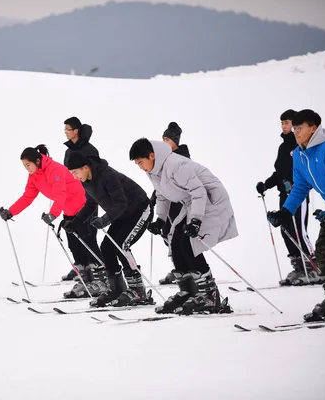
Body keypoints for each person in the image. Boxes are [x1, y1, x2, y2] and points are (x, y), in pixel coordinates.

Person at [266, 109, 325, 322]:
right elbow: (300, 187)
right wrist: (284, 213)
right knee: (322, 250)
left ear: (313, 128)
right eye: (294, 128)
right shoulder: (300, 155)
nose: (295, 132)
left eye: (299, 128)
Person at [130, 138, 238, 315]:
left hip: (211, 200)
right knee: (175, 242)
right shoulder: (153, 171)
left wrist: (196, 220)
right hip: (192, 202)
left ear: (152, 155)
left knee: (189, 243)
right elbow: (162, 195)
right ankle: (188, 292)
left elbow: (199, 191)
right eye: (137, 164)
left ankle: (210, 295)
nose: (141, 167)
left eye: (141, 162)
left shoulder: (175, 164)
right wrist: (161, 219)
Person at [0, 145, 106, 298]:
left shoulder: (54, 169)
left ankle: (103, 280)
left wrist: (53, 214)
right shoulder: (34, 176)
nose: (27, 169)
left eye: (28, 165)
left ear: (37, 161)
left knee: (88, 242)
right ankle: (86, 281)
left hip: (84, 206)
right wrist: (11, 211)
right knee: (74, 246)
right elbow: (28, 197)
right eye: (24, 166)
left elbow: (60, 194)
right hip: (69, 210)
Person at [65, 152, 154, 307]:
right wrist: (75, 222)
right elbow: (91, 204)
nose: (74, 177)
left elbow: (121, 203)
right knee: (106, 248)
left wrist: (105, 220)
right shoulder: (87, 180)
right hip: (122, 215)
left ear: (85, 167)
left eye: (75, 173)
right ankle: (116, 288)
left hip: (140, 210)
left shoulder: (107, 175)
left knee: (121, 245)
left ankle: (138, 290)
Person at [256, 109, 317, 286]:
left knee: (299, 229)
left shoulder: (301, 145)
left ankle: (313, 267)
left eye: (287, 122)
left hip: (298, 194)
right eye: (282, 123)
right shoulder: (283, 147)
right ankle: (299, 267)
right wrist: (266, 184)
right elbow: (279, 172)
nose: (284, 126)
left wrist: (295, 184)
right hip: (284, 194)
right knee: (286, 230)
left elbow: (307, 170)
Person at [151, 122, 193, 285]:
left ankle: (188, 268)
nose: (164, 142)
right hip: (169, 202)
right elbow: (161, 182)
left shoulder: (181, 158)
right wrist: (155, 196)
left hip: (182, 202)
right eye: (163, 139)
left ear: (176, 141)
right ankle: (178, 267)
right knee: (167, 231)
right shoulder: (165, 159)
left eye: (168, 139)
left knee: (178, 234)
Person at [61, 116, 101, 283]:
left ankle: (98, 270)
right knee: (72, 235)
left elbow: (95, 174)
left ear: (76, 130)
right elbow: (66, 173)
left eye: (67, 129)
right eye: (64, 130)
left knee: (88, 236)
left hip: (87, 198)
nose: (65, 132)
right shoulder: (68, 151)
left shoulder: (90, 149)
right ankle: (81, 267)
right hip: (71, 199)